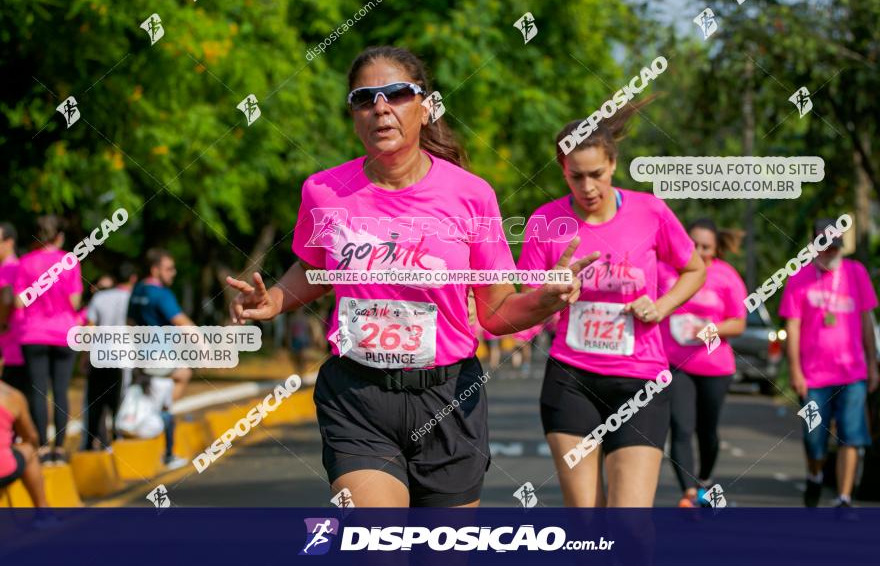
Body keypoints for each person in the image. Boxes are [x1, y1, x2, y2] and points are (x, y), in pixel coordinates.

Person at [227, 45, 596, 508]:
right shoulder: (323, 191)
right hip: (358, 396)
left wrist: (545, 300)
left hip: (448, 398)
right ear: (354, 114)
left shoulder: (471, 195)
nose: (380, 108)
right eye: (364, 98)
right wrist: (274, 300)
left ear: (425, 107)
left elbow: (496, 311)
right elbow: (316, 266)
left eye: (397, 94)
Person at [517, 102, 706, 507]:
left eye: (596, 175)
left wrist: (662, 305)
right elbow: (527, 304)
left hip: (640, 381)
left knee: (629, 523)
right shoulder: (545, 223)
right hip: (571, 379)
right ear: (562, 171)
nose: (587, 188)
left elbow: (694, 269)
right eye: (576, 176)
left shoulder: (650, 212)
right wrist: (551, 292)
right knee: (585, 521)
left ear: (613, 164)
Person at [780, 218, 878, 507]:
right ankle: (814, 476)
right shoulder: (799, 278)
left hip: (852, 373)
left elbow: (866, 321)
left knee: (852, 434)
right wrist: (795, 370)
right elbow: (793, 327)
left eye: (835, 247)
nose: (830, 253)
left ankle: (844, 497)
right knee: (814, 440)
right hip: (813, 377)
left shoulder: (856, 273)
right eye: (824, 247)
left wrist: (873, 364)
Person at [658, 218, 746, 507]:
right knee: (681, 427)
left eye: (706, 246)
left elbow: (738, 323)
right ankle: (689, 493)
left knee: (707, 431)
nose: (698, 250)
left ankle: (704, 479)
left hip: (715, 366)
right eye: (693, 243)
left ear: (716, 248)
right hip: (675, 364)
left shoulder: (727, 276)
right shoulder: (666, 271)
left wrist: (709, 331)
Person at [13, 216, 83, 464]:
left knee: (38, 391)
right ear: (59, 237)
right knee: (61, 391)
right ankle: (60, 449)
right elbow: (75, 302)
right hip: (63, 332)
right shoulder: (69, 262)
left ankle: (42, 447)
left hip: (33, 333)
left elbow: (19, 301)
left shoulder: (24, 263)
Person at [127, 249, 193, 470]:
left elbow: (130, 323)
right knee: (178, 383)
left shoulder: (137, 291)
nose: (173, 273)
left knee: (159, 397)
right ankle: (167, 451)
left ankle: (163, 442)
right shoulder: (162, 294)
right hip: (160, 359)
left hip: (141, 357)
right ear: (155, 270)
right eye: (168, 268)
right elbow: (183, 323)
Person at [81, 262, 137, 451]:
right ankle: (116, 439)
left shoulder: (100, 297)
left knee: (95, 401)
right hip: (123, 357)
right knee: (119, 400)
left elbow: (89, 328)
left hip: (100, 355)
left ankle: (90, 443)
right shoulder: (132, 298)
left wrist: (84, 356)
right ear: (133, 279)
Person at [0, 379, 49, 507]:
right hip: (3, 469)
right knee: (29, 449)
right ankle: (43, 512)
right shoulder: (11, 395)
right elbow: (31, 437)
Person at [0, 222, 27, 395]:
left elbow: (6, 298)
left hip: (8, 341)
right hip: (18, 341)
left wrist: (1, 322)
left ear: (9, 242)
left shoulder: (8, 268)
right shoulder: (19, 266)